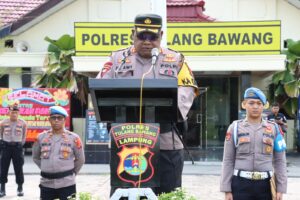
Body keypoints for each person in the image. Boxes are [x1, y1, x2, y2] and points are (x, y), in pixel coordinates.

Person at [96, 13, 198, 195]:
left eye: (153, 37)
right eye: (142, 36)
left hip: (166, 144)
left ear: (161, 35)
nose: (147, 41)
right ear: (132, 34)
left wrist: (171, 110)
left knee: (169, 195)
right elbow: (100, 88)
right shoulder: (116, 59)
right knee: (126, 195)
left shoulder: (176, 60)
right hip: (125, 143)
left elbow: (188, 89)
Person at [220, 87, 287, 200]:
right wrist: (226, 189)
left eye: (259, 103)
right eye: (251, 103)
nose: (255, 106)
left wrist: (281, 188)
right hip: (240, 185)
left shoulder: (274, 128)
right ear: (244, 104)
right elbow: (228, 160)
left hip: (266, 185)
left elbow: (280, 160)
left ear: (264, 106)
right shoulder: (234, 128)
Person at [32, 106, 85, 200]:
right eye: (53, 118)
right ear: (49, 120)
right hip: (46, 183)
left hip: (67, 183)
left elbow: (80, 159)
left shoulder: (74, 138)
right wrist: (46, 167)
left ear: (64, 120)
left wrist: (71, 173)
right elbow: (35, 157)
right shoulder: (40, 137)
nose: (56, 120)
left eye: (59, 118)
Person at [0, 103, 27, 197]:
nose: (14, 114)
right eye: (12, 112)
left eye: (16, 112)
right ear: (9, 112)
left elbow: (24, 136)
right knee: (3, 168)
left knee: (19, 168)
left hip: (17, 148)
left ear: (18, 113)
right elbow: (1, 134)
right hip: (6, 147)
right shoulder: (3, 122)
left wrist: (20, 144)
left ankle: (20, 188)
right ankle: (2, 188)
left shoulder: (23, 123)